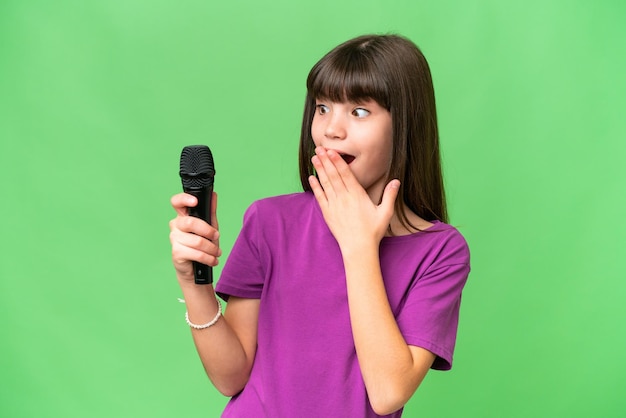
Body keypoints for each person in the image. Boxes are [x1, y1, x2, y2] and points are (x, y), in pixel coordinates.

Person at [169, 34, 470, 417]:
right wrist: (193, 284)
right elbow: (231, 377)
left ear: (406, 125)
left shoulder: (441, 252)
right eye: (323, 107)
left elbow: (388, 392)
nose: (331, 130)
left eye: (359, 111)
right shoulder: (269, 222)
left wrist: (359, 244)